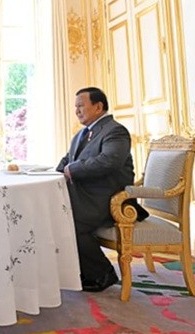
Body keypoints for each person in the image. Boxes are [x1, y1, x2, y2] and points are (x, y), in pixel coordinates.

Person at [56, 87, 146, 292]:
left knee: (67, 221)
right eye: (75, 107)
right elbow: (66, 161)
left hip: (108, 199)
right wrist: (53, 173)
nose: (77, 111)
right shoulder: (82, 134)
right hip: (86, 195)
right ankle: (80, 270)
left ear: (98, 106)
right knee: (54, 212)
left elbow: (109, 161)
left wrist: (72, 169)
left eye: (81, 106)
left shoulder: (115, 131)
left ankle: (102, 274)